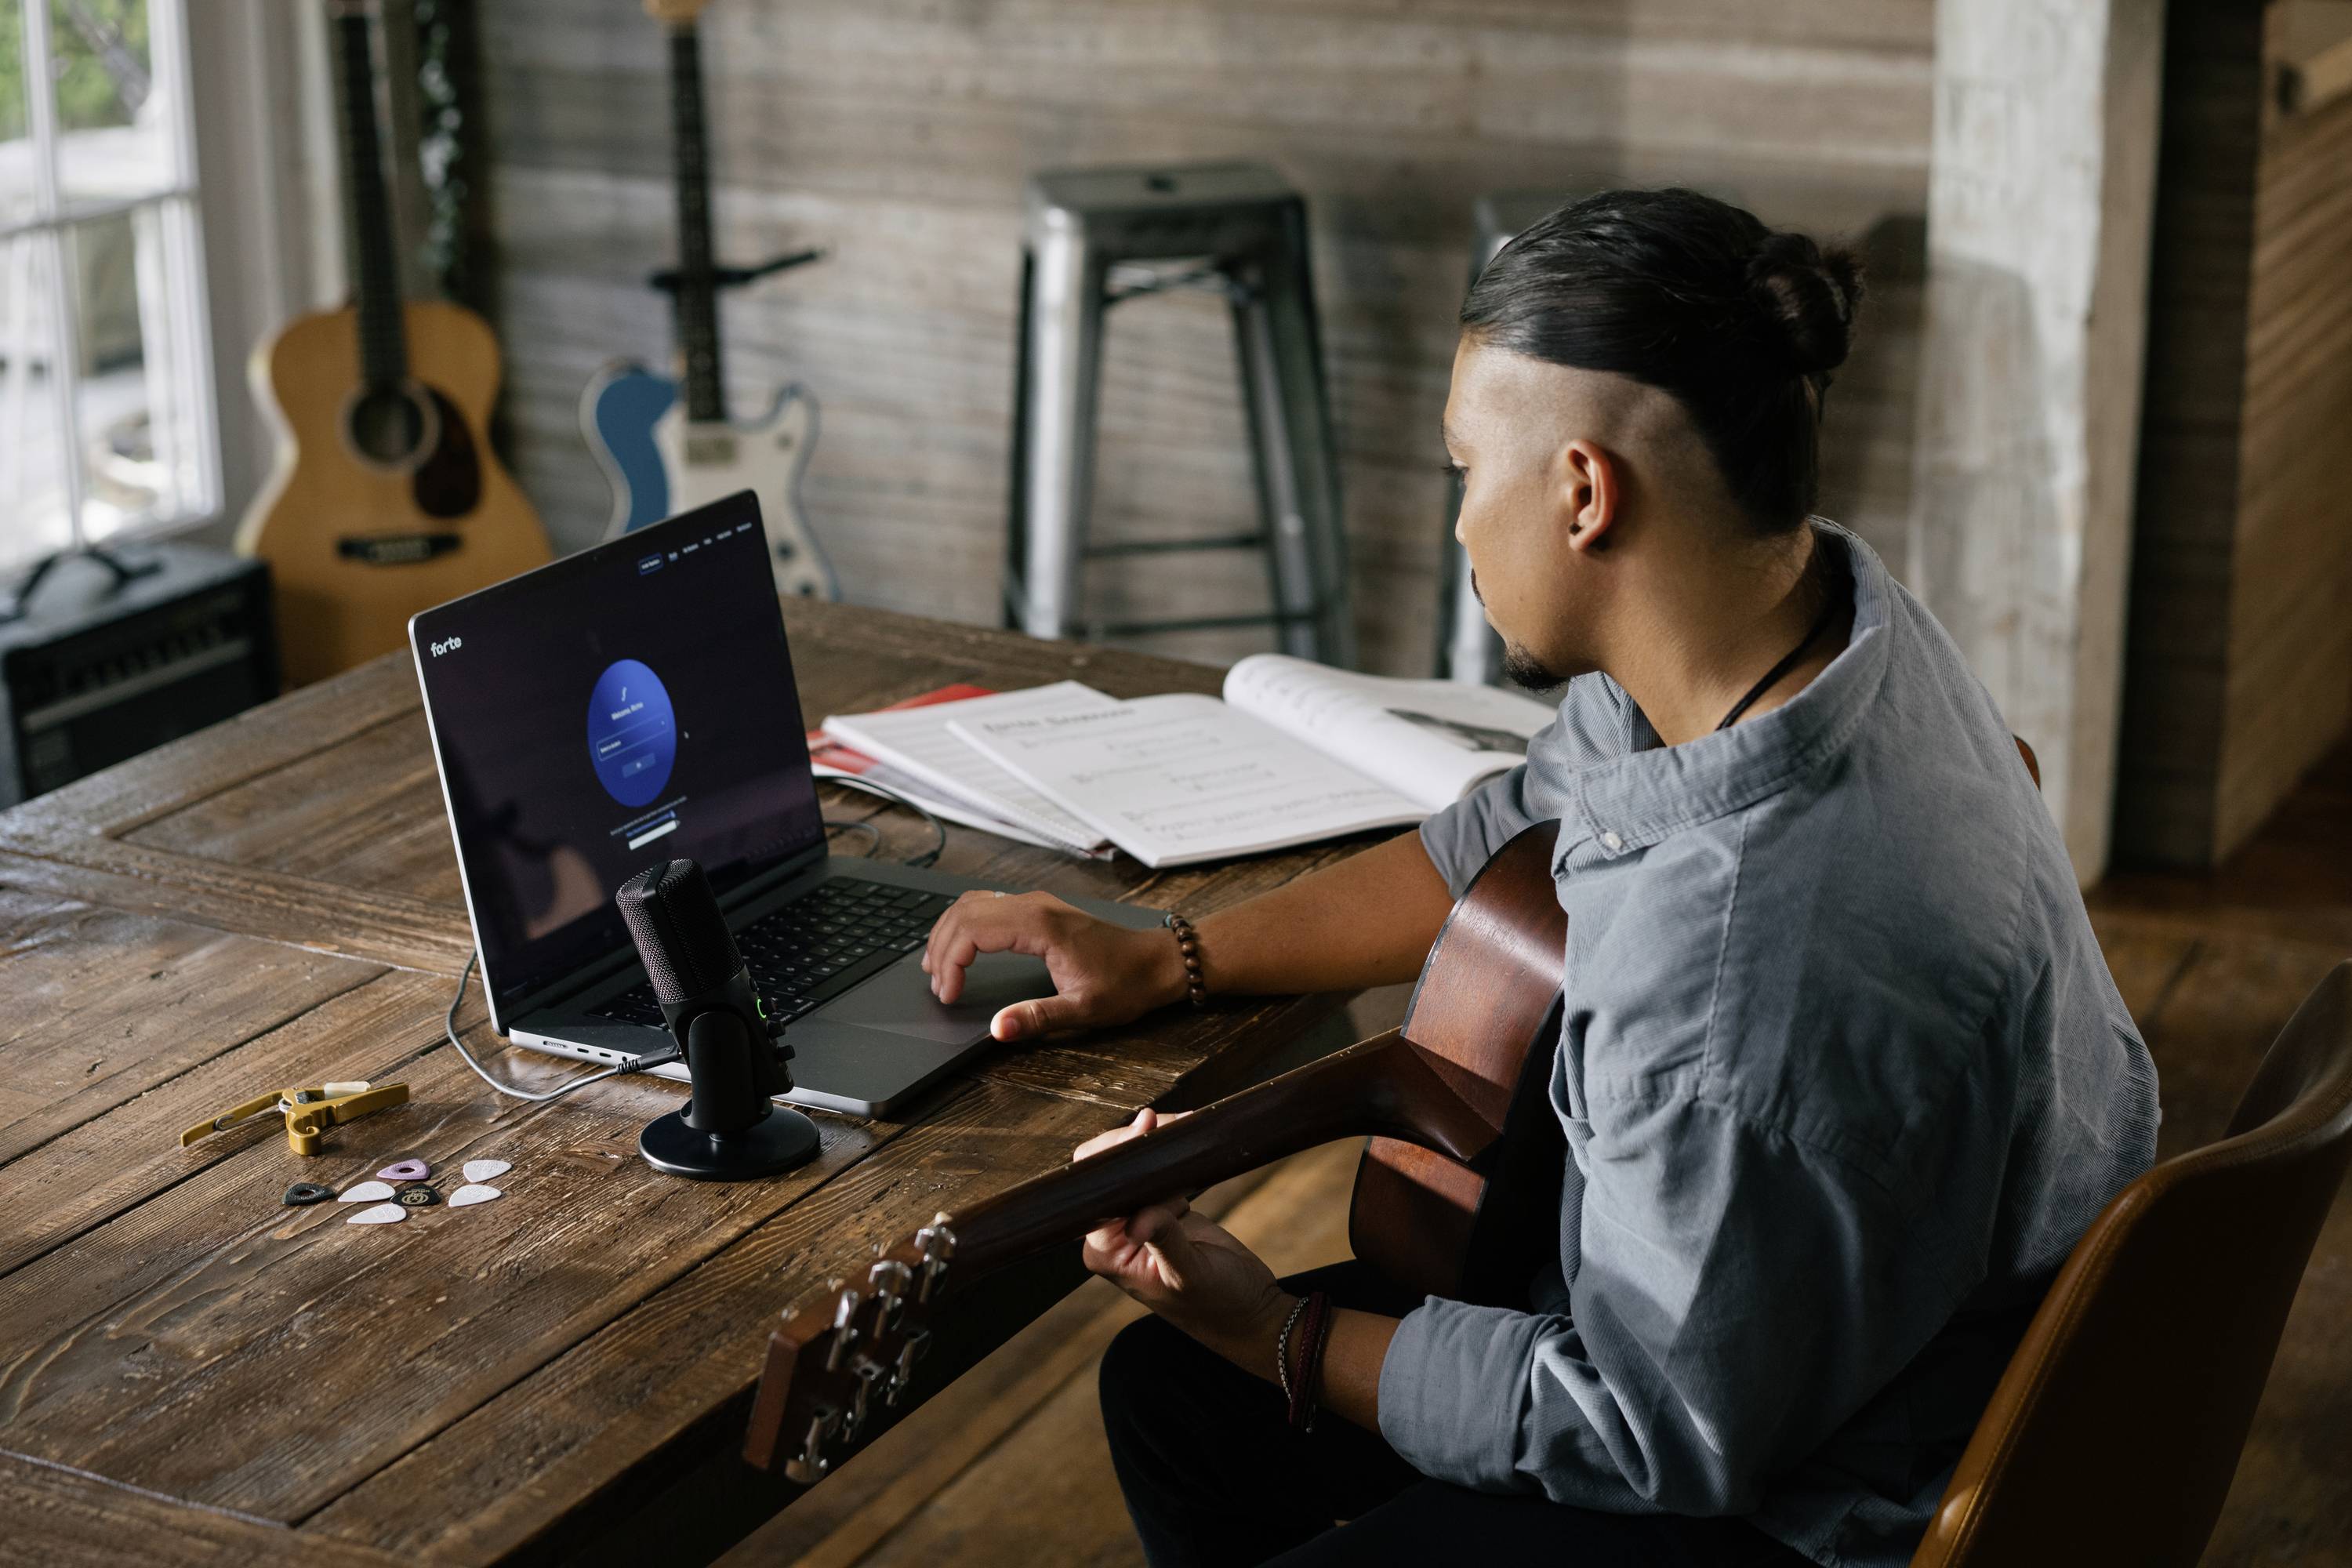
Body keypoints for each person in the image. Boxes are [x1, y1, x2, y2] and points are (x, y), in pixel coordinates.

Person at [920, 188, 2159, 1568]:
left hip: (1807, 1487)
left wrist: (1275, 1329)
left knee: (1220, 1374)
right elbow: (1508, 840)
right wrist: (1168, 956)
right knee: (1175, 1397)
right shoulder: (1823, 623)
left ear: (1584, 493)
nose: (1459, 527)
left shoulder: (1733, 970)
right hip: (1882, 1329)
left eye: (1465, 468)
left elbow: (1641, 1430)